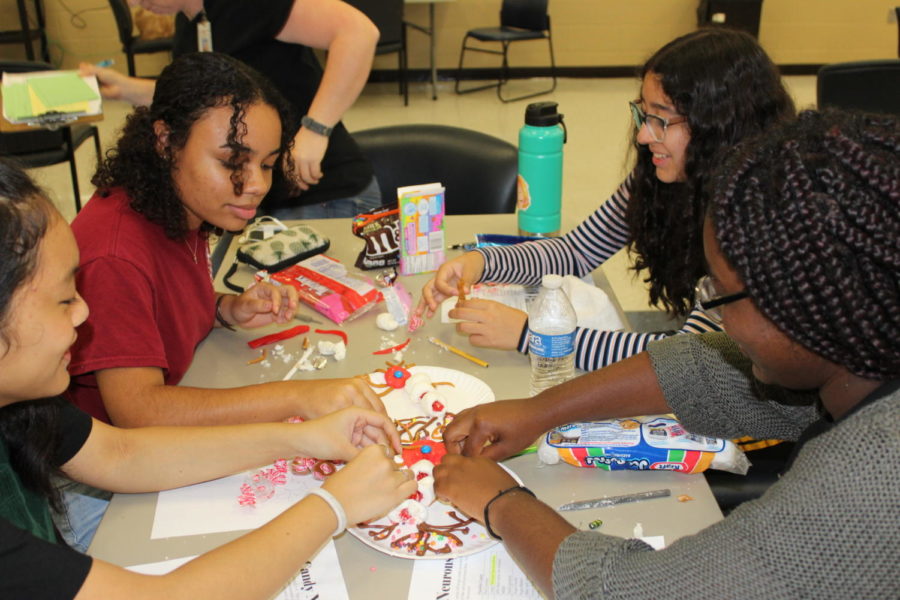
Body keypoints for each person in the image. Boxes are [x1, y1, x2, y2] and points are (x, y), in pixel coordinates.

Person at [432, 109, 900, 598]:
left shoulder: (867, 487)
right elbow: (705, 367)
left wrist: (503, 502)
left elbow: (633, 592)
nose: (714, 314)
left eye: (717, 295)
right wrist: (537, 411)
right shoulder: (861, 344)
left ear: (802, 307)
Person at [0, 157, 417, 598]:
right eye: (64, 299)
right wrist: (333, 507)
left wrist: (305, 437)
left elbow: (121, 454)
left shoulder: (23, 399)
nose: (84, 312)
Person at [63, 53, 383, 551]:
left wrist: (221, 308)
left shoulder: (179, 206)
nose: (255, 184)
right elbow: (139, 411)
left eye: (267, 164)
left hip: (160, 447)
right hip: (102, 495)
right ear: (166, 141)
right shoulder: (115, 252)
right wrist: (299, 396)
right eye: (232, 161)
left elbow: (156, 302)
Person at [417, 28, 795, 371]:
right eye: (642, 114)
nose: (644, 136)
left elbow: (689, 360)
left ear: (719, 127)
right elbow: (575, 252)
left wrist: (537, 337)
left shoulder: (756, 221)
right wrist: (482, 262)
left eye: (661, 120)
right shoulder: (665, 172)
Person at [82, 0, 382, 219]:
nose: (135, 3)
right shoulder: (191, 23)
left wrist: (317, 128)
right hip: (266, 197)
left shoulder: (244, 5)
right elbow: (204, 104)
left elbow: (358, 33)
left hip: (327, 196)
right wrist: (124, 88)